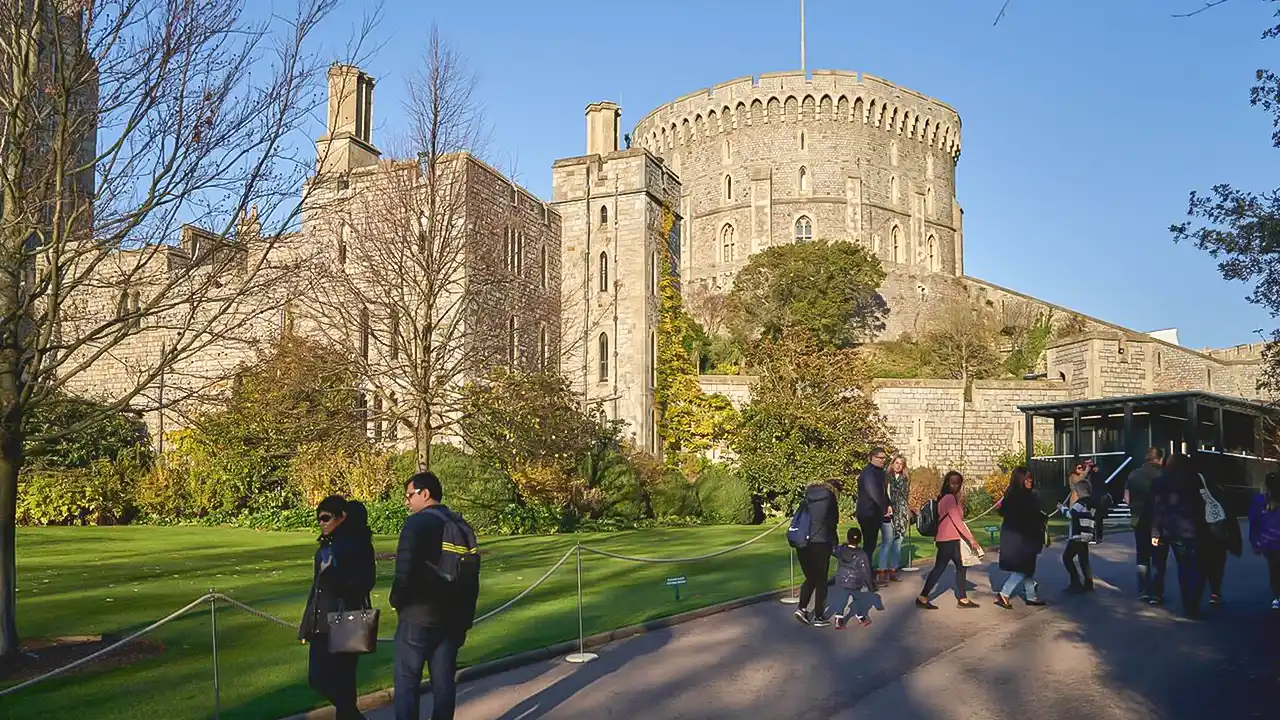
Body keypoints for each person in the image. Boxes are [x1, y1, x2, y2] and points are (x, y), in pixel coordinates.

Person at [392, 472, 473, 720]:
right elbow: (472, 577)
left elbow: (404, 570)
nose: (407, 502)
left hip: (419, 615)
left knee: (407, 683)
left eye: (409, 495)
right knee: (444, 683)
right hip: (453, 616)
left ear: (424, 493)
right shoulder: (461, 525)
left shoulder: (416, 524)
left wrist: (397, 600)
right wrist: (465, 618)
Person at [299, 496, 376, 720]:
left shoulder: (357, 545)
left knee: (342, 683)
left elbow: (364, 583)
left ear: (341, 517)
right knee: (320, 679)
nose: (321, 522)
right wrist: (307, 624)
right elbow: (317, 588)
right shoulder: (327, 544)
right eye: (318, 518)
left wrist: (333, 575)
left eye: (325, 518)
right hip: (322, 621)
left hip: (346, 619)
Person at [1149, 454, 1209, 618]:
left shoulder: (1161, 481)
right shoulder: (1194, 478)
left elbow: (1158, 508)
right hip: (1194, 527)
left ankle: (1188, 603)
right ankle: (1193, 601)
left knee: (1183, 565)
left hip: (1172, 528)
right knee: (1197, 566)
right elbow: (1202, 503)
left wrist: (1156, 531)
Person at [916, 471, 983, 610]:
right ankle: (923, 597)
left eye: (958, 483)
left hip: (948, 538)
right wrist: (972, 539)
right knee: (940, 568)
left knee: (960, 566)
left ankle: (963, 599)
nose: (956, 486)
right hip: (948, 539)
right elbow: (957, 521)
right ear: (947, 483)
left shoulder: (947, 498)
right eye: (953, 483)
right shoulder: (949, 499)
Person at [994, 467, 1049, 608]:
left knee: (1028, 567)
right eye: (1027, 478)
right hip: (1021, 537)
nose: (1030, 481)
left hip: (1020, 535)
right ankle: (1004, 593)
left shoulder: (1013, 494)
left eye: (1031, 478)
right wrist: (1041, 517)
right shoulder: (1022, 496)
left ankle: (1031, 596)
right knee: (1024, 568)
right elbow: (1029, 516)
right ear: (1020, 479)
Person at [793, 480, 840, 628]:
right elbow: (832, 524)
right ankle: (819, 615)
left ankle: (802, 608)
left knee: (811, 577)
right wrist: (835, 546)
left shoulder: (806, 498)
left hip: (803, 541)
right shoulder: (830, 499)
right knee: (821, 580)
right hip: (820, 541)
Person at [1125, 447, 1164, 600]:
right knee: (1158, 557)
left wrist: (1134, 508)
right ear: (1159, 459)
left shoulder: (1134, 474)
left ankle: (1144, 590)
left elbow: (1126, 498)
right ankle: (1156, 593)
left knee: (1142, 555)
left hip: (1138, 519)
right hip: (1158, 521)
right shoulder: (1163, 474)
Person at [1196, 471, 1241, 605]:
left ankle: (1197, 592)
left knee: (1200, 564)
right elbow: (1230, 515)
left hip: (1201, 533)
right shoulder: (1220, 492)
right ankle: (1215, 591)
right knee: (1217, 564)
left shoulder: (1195, 493)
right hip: (1217, 534)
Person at [829, 526, 878, 629]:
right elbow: (866, 572)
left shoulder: (841, 550)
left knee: (841, 600)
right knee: (858, 599)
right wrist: (871, 586)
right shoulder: (862, 554)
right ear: (860, 540)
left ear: (848, 538)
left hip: (842, 580)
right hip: (856, 582)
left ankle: (838, 618)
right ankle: (861, 617)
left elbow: (833, 550)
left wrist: (833, 535)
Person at [855, 447, 890, 581]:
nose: (883, 460)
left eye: (884, 458)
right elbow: (874, 493)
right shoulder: (868, 473)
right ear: (872, 458)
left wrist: (888, 504)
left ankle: (865, 571)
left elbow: (882, 492)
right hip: (868, 513)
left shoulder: (879, 472)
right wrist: (884, 509)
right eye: (880, 458)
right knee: (869, 545)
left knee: (871, 544)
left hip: (874, 512)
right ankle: (865, 573)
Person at [1247, 472, 1280, 610]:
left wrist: (1254, 542)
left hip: (1269, 542)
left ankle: (1277, 596)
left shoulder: (1259, 500)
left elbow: (1254, 521)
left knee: (1274, 569)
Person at [1062, 463, 1096, 593]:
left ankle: (1075, 581)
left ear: (1081, 491)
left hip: (1077, 536)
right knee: (1084, 560)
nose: (1075, 493)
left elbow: (1070, 515)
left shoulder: (1079, 504)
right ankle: (1088, 583)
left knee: (1067, 558)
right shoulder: (1091, 504)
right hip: (1086, 535)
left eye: (1077, 491)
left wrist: (1062, 508)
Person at [882, 455, 912, 583]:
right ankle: (882, 570)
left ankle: (893, 569)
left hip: (902, 512)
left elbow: (905, 496)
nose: (898, 465)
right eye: (896, 463)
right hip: (889, 510)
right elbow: (884, 494)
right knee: (887, 541)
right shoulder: (886, 477)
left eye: (901, 464)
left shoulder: (905, 479)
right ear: (892, 464)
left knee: (898, 542)